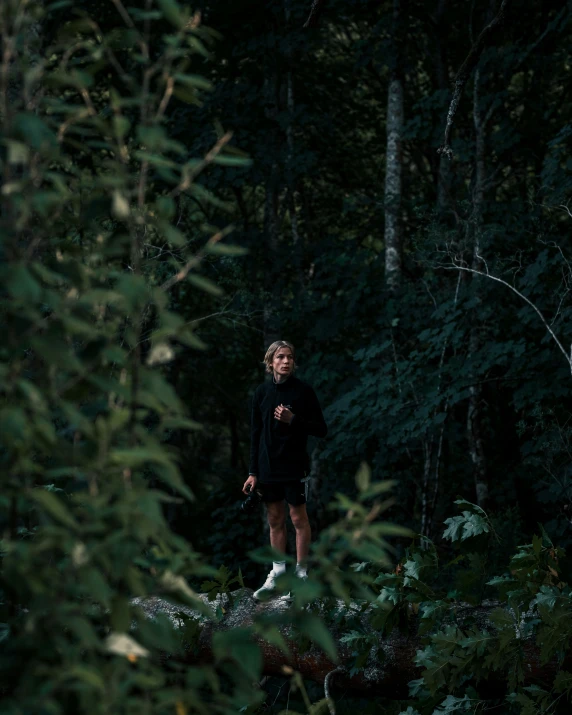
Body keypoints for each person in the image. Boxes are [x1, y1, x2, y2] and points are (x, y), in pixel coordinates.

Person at [243, 340, 328, 600]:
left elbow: (321, 429)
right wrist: (253, 472)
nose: (286, 361)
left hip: (294, 466)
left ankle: (302, 576)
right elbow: (255, 434)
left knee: (298, 520)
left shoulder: (303, 392)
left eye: (290, 357)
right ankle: (278, 576)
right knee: (275, 520)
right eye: (280, 357)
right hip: (268, 468)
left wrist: (294, 421)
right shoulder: (261, 393)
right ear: (271, 362)